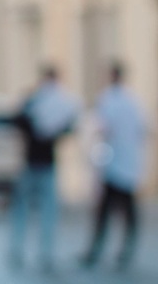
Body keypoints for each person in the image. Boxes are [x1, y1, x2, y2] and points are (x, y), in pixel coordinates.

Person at [8, 65, 79, 272]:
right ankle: (32, 251)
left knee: (31, 210)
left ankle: (28, 251)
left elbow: (18, 121)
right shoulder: (37, 100)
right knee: (38, 211)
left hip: (37, 163)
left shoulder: (36, 100)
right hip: (39, 163)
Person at [79, 63, 150, 271]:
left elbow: (101, 130)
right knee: (128, 212)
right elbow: (144, 130)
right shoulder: (133, 102)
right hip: (128, 164)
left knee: (104, 213)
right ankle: (125, 251)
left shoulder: (108, 100)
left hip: (113, 165)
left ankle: (97, 251)